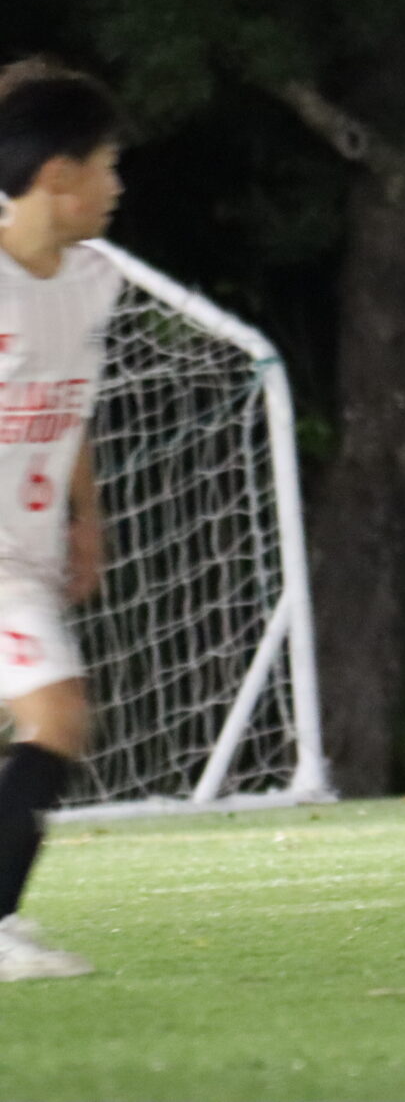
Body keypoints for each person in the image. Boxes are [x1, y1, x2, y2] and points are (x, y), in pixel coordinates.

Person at [0, 59, 128, 980]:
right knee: (56, 714)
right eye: (107, 165)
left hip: (29, 553)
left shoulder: (94, 281)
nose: (117, 186)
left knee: (56, 720)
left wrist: (87, 516)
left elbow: (69, 404)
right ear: (58, 175)